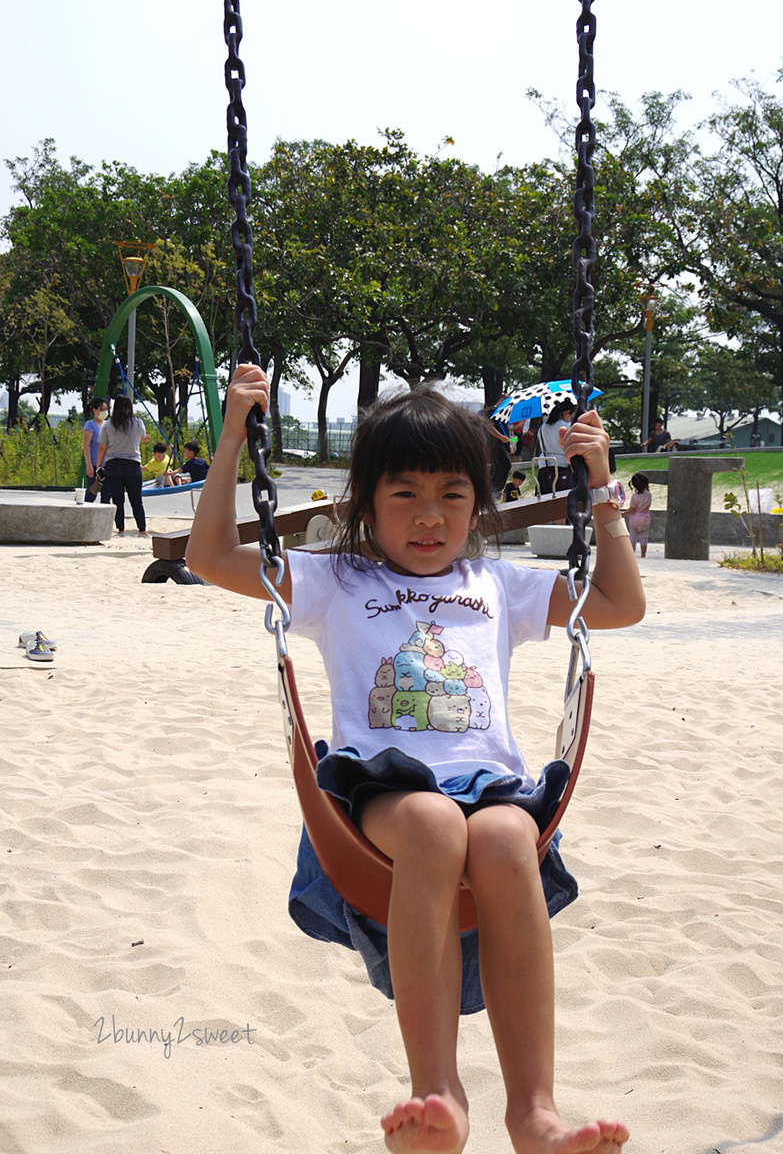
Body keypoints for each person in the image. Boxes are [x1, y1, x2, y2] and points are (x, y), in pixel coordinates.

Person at [186, 364, 644, 1154]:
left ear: (479, 505)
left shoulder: (498, 585)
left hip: (493, 789)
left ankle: (533, 1112)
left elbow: (620, 605)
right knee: (434, 824)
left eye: (453, 496)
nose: (429, 518)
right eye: (404, 495)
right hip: (382, 793)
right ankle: (439, 1089)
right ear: (366, 503)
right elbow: (210, 555)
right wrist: (234, 434)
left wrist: (599, 487)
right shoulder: (336, 580)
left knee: (504, 839)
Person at [96, 395, 150, 537]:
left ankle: (121, 529)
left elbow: (102, 447)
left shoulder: (108, 425)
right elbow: (141, 437)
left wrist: (98, 465)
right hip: (132, 464)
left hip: (113, 464)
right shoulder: (138, 423)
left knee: (117, 499)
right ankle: (142, 529)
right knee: (136, 500)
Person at [536, 402, 574, 497]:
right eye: (571, 416)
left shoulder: (541, 428)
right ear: (567, 412)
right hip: (561, 465)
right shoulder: (565, 426)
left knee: (545, 499)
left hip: (544, 466)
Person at [81, 398, 109, 500]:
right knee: (92, 493)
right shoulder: (90, 425)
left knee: (107, 495)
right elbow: (86, 445)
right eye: (102, 410)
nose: (104, 412)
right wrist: (88, 464)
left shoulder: (107, 424)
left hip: (106, 465)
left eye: (106, 409)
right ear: (95, 410)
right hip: (94, 465)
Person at [623, 472, 652, 558]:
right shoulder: (648, 495)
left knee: (632, 537)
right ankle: (643, 554)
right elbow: (647, 491)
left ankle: (631, 554)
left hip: (634, 519)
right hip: (645, 519)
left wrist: (624, 513)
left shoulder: (635, 496)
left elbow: (632, 508)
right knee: (644, 537)